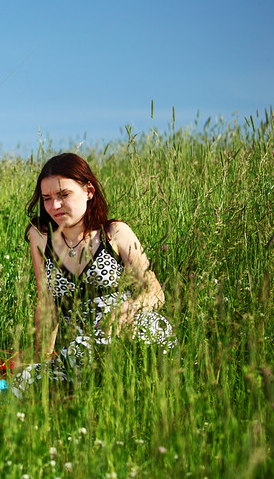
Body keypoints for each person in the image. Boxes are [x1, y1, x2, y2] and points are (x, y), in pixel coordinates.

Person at [14, 152, 175, 396]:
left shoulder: (114, 233)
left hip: (128, 333)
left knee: (151, 329)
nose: (54, 206)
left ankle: (144, 387)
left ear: (89, 191)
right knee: (25, 381)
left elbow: (155, 292)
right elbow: (47, 304)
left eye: (63, 195)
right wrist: (42, 358)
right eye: (47, 198)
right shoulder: (40, 237)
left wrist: (128, 309)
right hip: (82, 350)